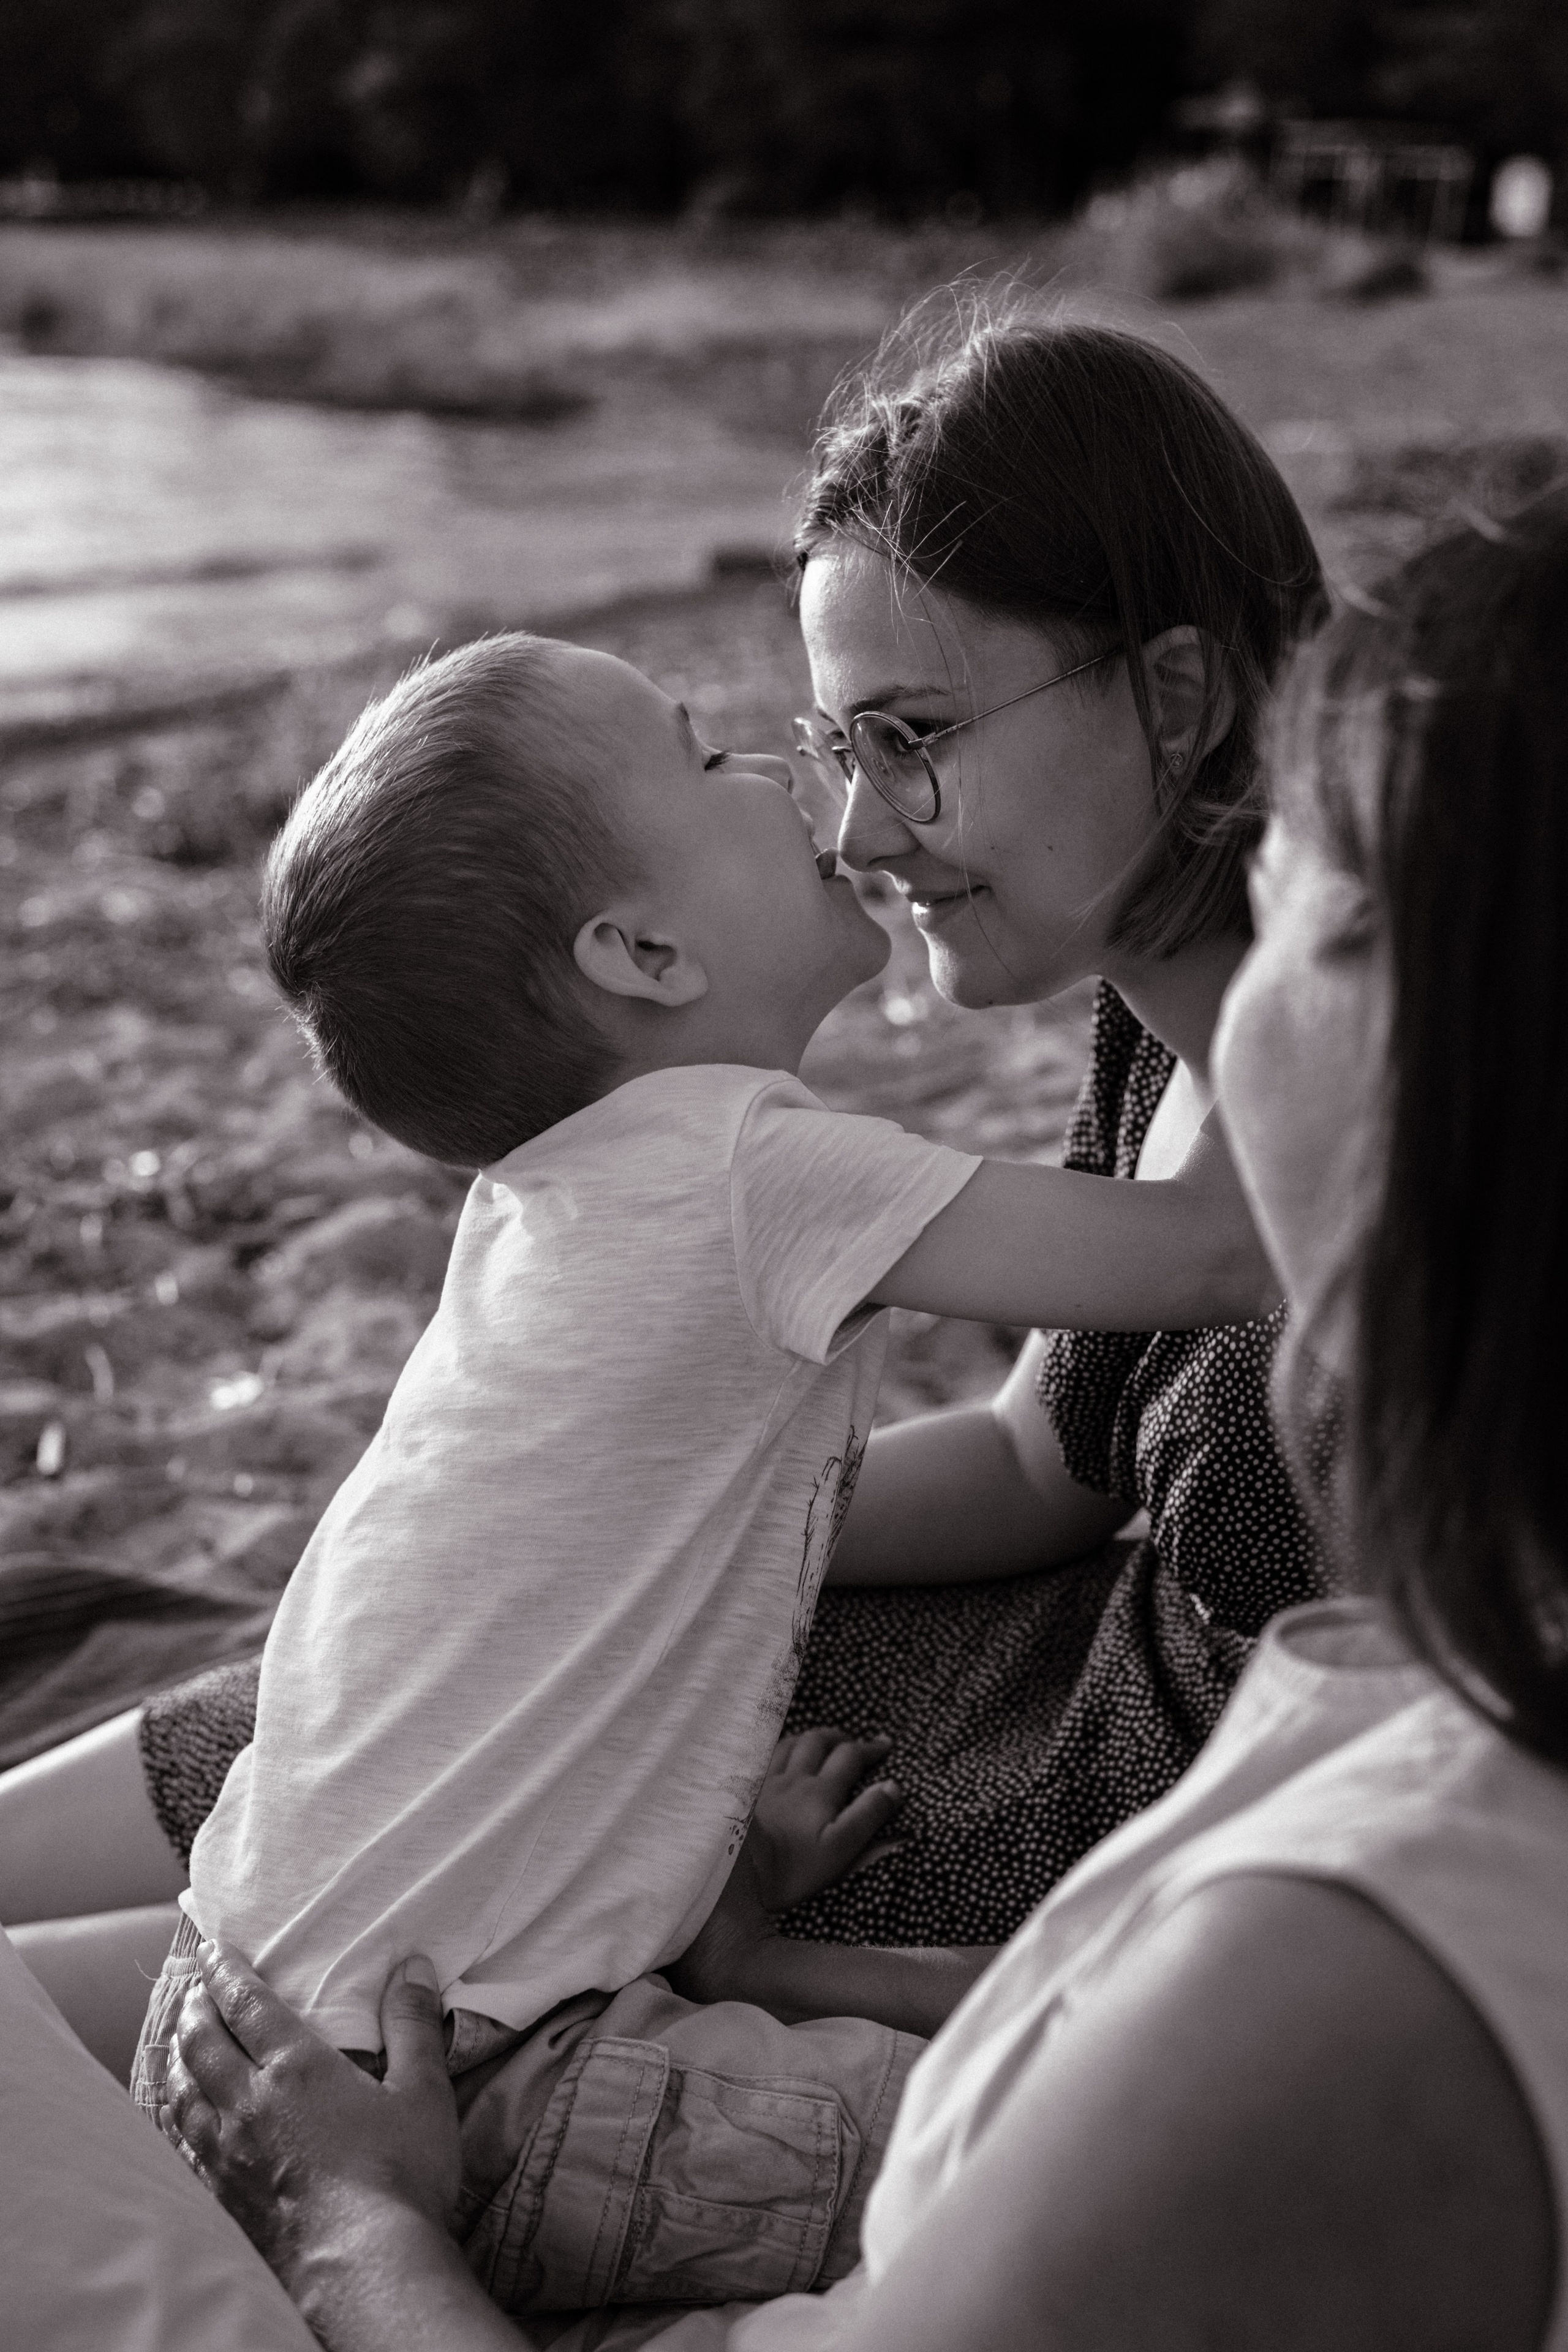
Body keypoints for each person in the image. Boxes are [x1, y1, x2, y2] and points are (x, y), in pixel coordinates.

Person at [157, 489, 1568, 2352]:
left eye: (1299, 893)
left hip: (353, 2001)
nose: (836, 805)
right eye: (769, 750)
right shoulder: (750, 1170)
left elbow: (1213, 1261)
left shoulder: (617, 1183)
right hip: (487, 2012)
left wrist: (354, 2233)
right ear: (640, 958)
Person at [0, 305, 1334, 1988]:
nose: (853, 826)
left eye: (912, 737)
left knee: (384, 1913)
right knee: (433, 1677)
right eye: (842, 746)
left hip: (1150, 1820)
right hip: (1041, 1667)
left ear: (1178, 692)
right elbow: (1036, 1466)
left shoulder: (1387, 1055)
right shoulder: (1157, 999)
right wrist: (591, 1520)